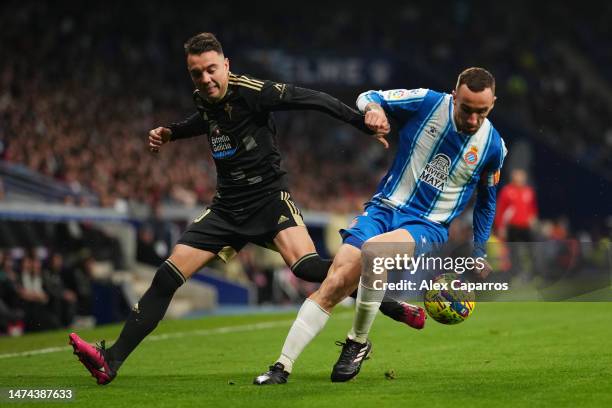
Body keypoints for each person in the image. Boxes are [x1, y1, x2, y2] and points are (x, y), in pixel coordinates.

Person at [68, 32, 425, 385]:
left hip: (268, 200)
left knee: (309, 268)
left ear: (226, 65)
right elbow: (207, 121)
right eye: (197, 73)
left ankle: (389, 304)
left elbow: (311, 98)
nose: (206, 79)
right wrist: (172, 133)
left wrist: (360, 123)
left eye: (211, 70)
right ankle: (109, 360)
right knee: (166, 276)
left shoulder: (254, 91)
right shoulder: (202, 98)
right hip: (226, 208)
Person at [254, 67, 507, 384]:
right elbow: (368, 97)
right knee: (335, 282)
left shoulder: (493, 147)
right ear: (454, 97)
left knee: (375, 252)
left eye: (481, 112)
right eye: (466, 109)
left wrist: (480, 249)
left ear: (493, 104)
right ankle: (282, 366)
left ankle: (356, 342)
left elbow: (487, 200)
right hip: (383, 208)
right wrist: (373, 111)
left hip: (427, 226)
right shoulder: (427, 102)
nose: (472, 120)